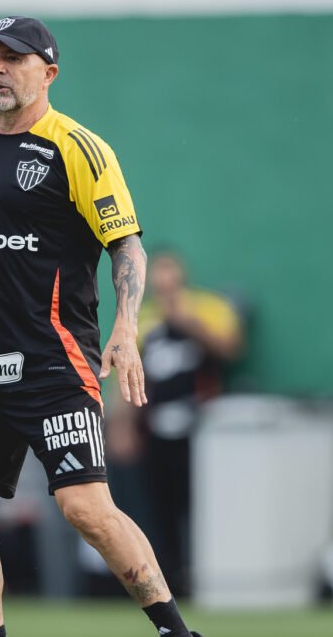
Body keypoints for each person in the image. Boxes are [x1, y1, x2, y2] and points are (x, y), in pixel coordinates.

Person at [0, 16, 203, 637]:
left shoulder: (78, 148)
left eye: (11, 58)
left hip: (53, 360)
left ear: (48, 72)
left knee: (86, 509)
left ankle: (178, 632)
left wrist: (126, 327)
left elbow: (127, 247)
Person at [106, 249, 244, 595]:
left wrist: (188, 322)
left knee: (202, 507)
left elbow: (230, 349)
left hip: (202, 431)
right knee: (159, 509)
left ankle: (209, 578)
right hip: (156, 431)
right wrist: (121, 424)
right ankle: (171, 582)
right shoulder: (142, 320)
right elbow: (128, 376)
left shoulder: (208, 309)